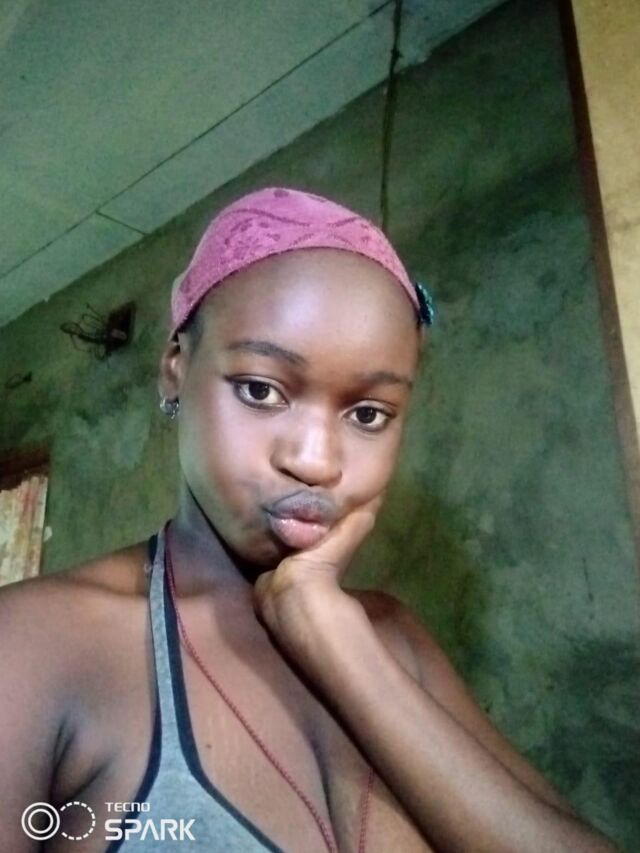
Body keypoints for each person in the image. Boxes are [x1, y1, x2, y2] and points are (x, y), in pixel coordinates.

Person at [0, 187, 616, 852]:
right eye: (261, 390)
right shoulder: (40, 641)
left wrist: (337, 642)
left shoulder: (393, 639)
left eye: (368, 414)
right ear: (175, 370)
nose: (317, 461)